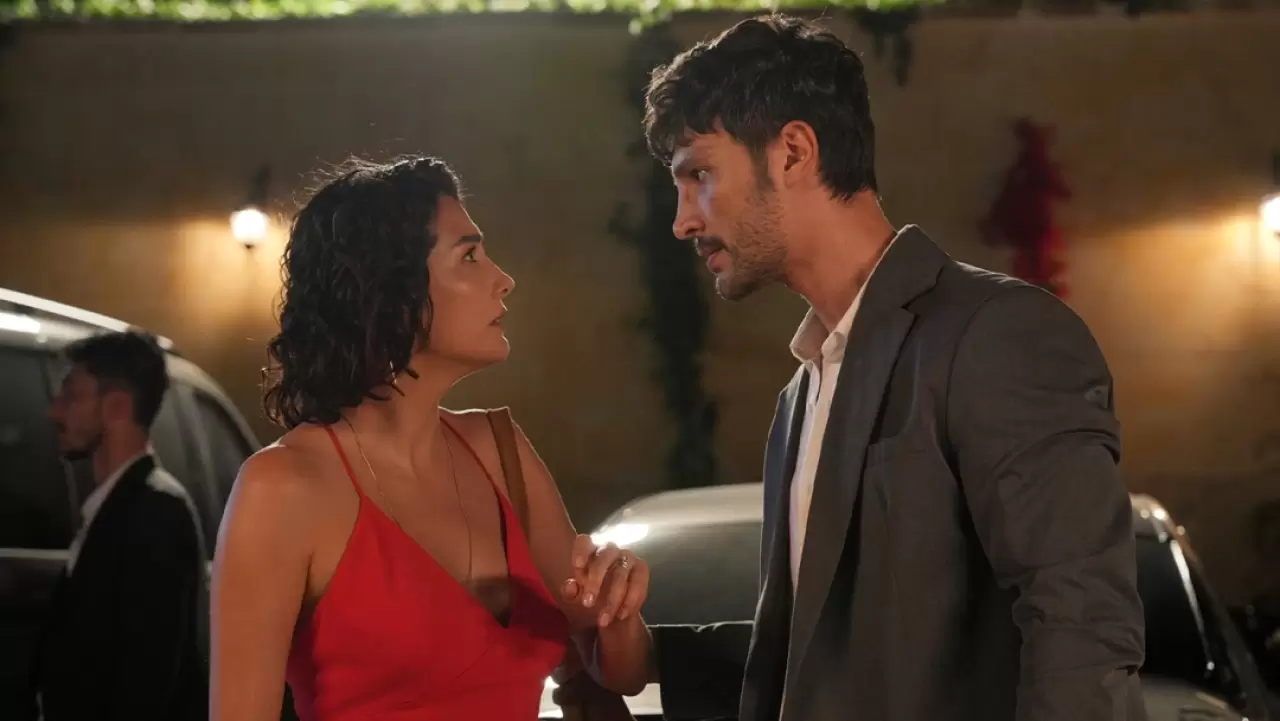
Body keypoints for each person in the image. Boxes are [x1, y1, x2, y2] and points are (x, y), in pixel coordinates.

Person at [630, 14, 1146, 721]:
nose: (683, 219)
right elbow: (833, 655)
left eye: (699, 174)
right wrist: (649, 656)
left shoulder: (996, 333)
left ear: (793, 152)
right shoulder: (803, 391)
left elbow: (1081, 628)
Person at [210, 155, 651, 721]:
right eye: (469, 256)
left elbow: (622, 671)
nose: (504, 279)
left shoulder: (500, 451)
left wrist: (618, 607)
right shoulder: (281, 488)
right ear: (392, 293)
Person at [32, 330, 209, 721]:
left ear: (117, 406)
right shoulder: (117, 506)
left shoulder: (155, 512)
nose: (54, 412)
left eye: (71, 396)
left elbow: (145, 683)